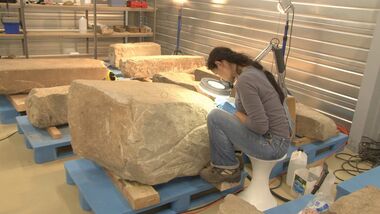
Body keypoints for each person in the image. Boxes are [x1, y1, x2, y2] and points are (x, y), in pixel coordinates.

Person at [200, 47, 291, 184]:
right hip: (279, 140)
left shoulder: (245, 80)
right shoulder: (252, 70)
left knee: (215, 117)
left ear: (220, 64)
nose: (220, 78)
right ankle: (231, 159)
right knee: (225, 114)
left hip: (273, 145)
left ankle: (227, 169)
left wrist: (234, 113)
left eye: (218, 73)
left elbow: (260, 126)